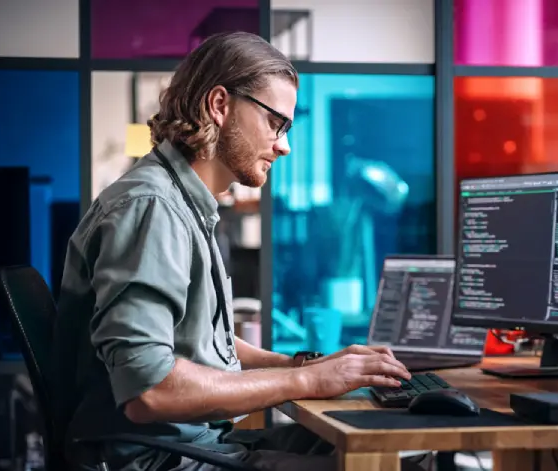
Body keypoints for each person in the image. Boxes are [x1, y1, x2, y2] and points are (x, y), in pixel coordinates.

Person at [53, 32, 428, 471]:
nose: (284, 145)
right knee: (393, 465)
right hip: (163, 460)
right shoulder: (153, 208)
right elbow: (149, 390)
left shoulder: (184, 203)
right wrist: (305, 379)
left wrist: (303, 364)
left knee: (377, 445)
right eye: (276, 123)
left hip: (197, 446)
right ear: (219, 105)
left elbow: (197, 342)